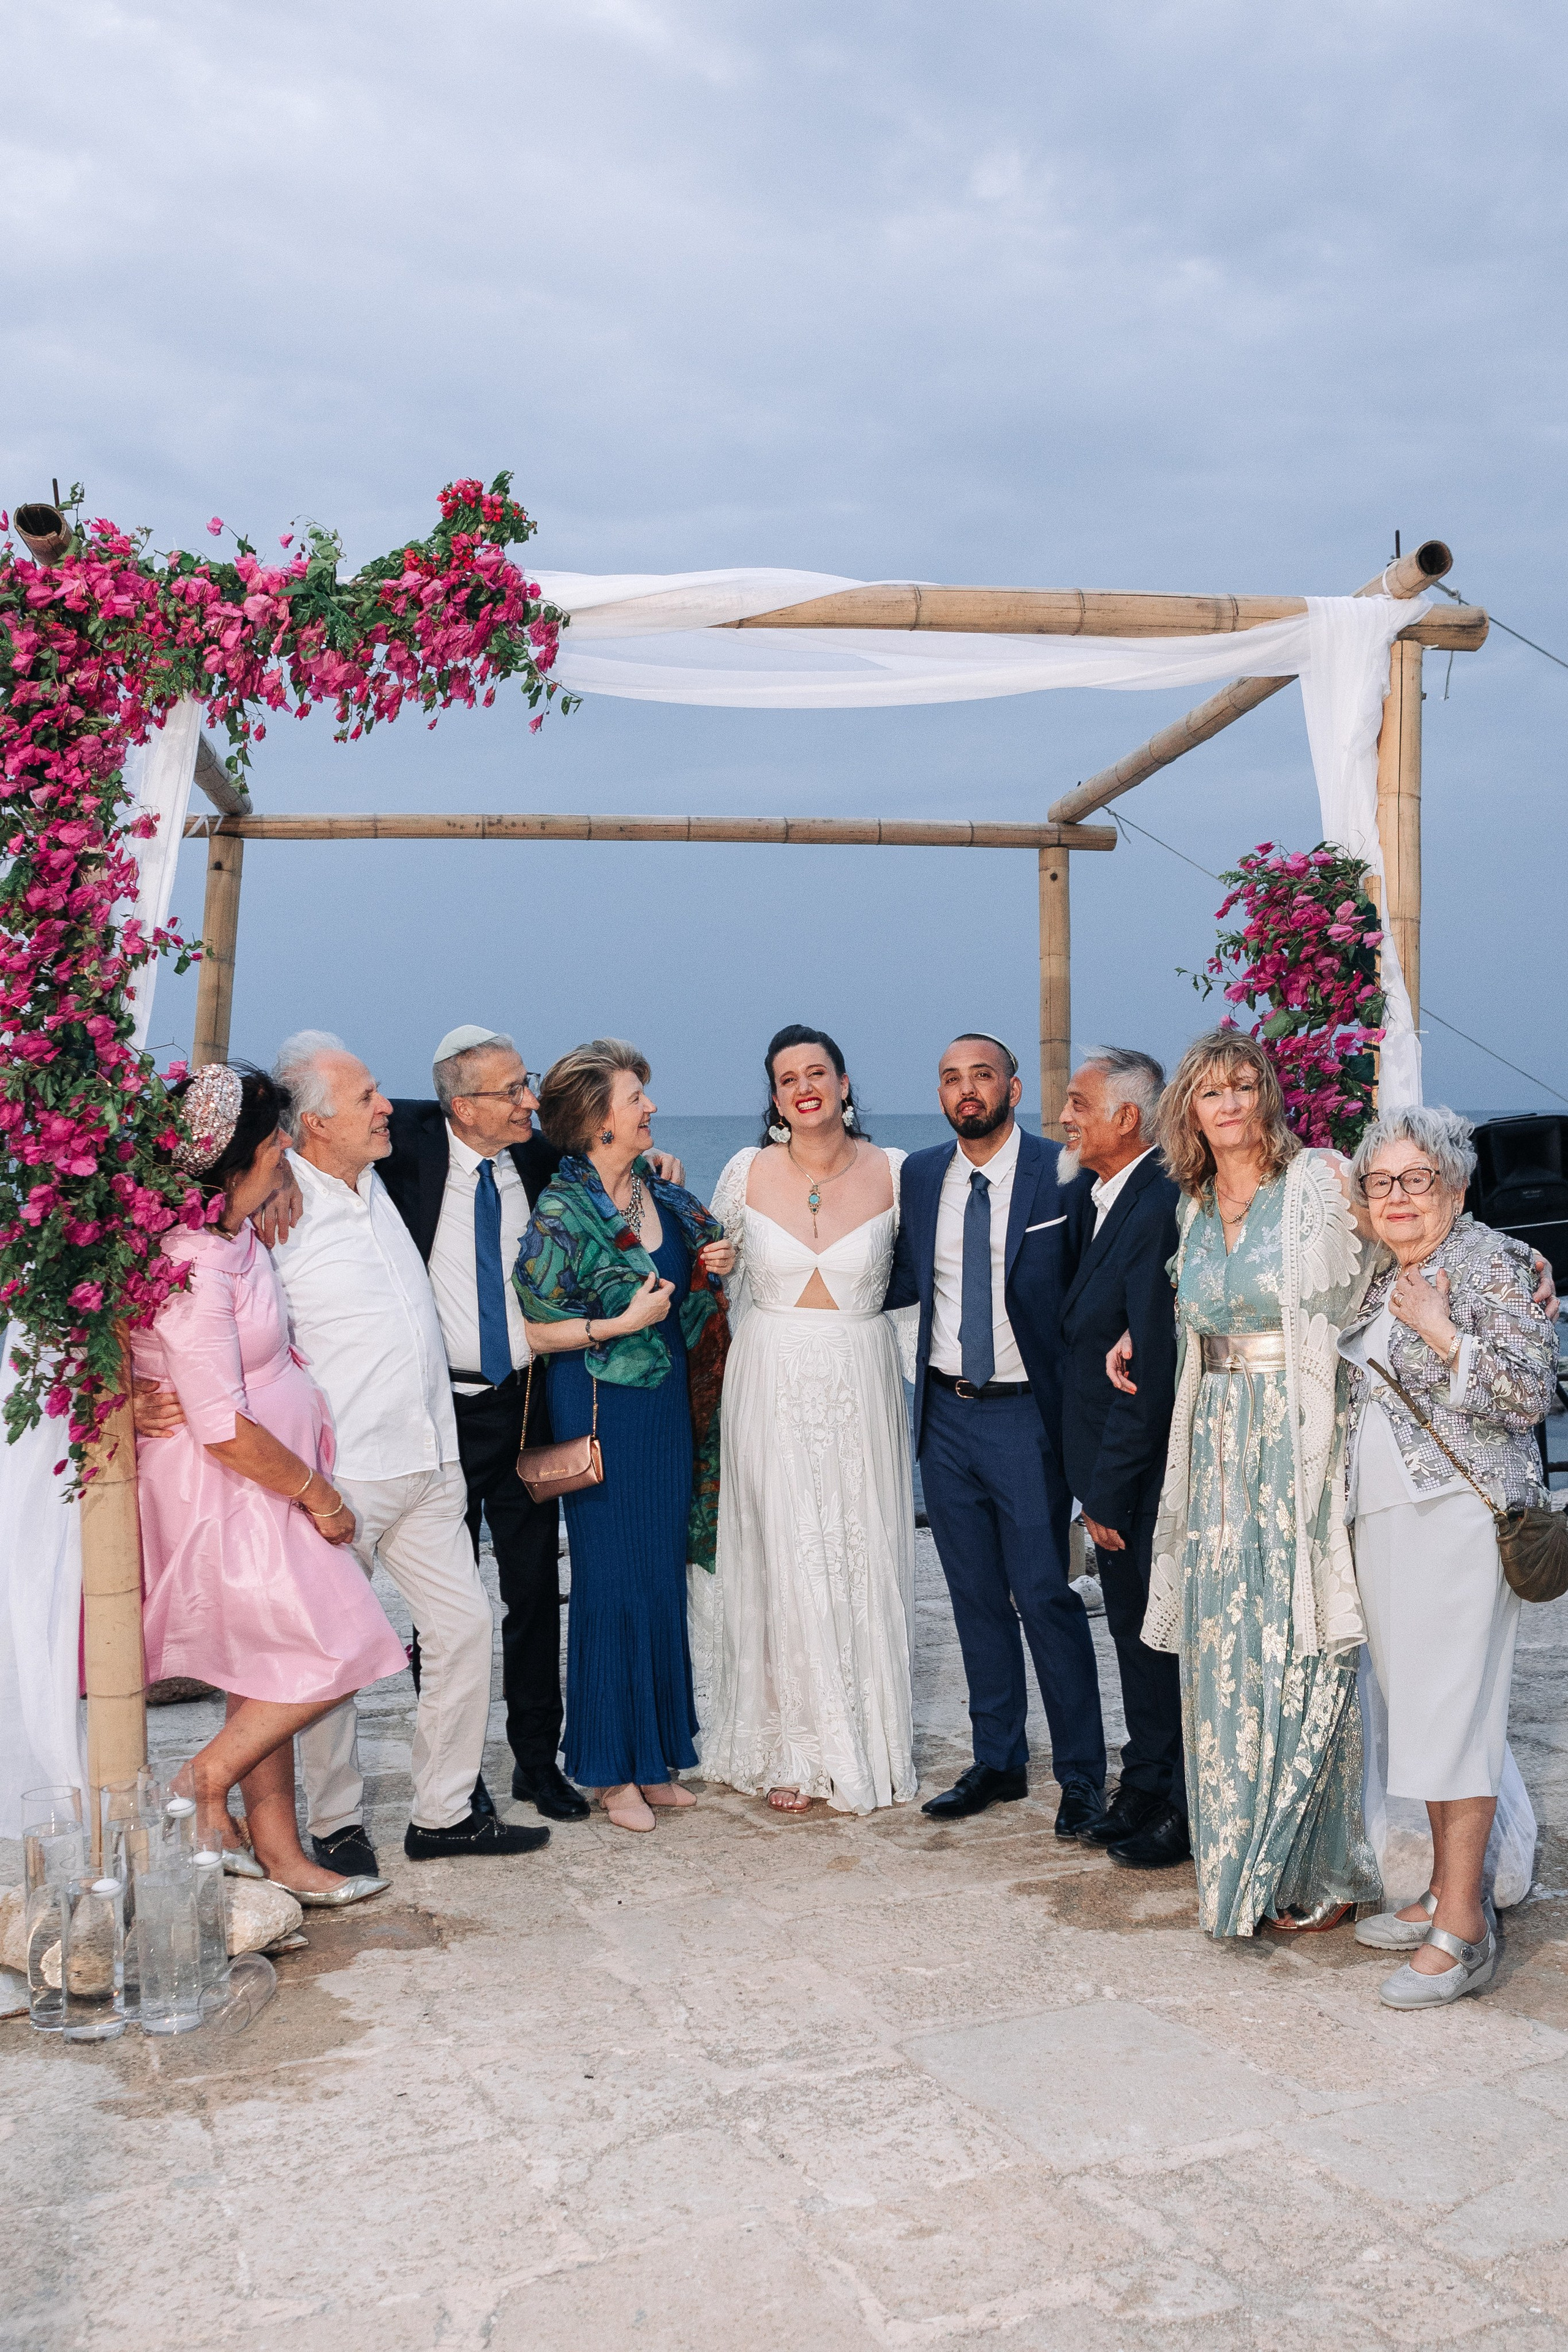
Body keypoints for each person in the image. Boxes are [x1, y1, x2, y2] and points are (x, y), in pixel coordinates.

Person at [377, 1027, 690, 1824]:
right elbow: (323, 1118)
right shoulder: (405, 1150)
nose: (530, 1101)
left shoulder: (542, 1159)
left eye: (530, 1084)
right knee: (445, 1609)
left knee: (532, 1592)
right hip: (438, 1411)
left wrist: (654, 1162)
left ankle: (537, 1763)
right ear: (461, 1107)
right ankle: (455, 1775)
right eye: (513, 1090)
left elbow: (606, 1167)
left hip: (525, 1405)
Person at [130, 1065, 405, 1901]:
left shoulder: (231, 1226)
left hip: (263, 1479)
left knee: (268, 1669)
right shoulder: (193, 1267)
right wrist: (322, 1496)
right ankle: (197, 1783)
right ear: (237, 1160)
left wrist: (274, 1184)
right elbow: (220, 1426)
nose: (287, 1144)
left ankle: (282, 1857)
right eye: (274, 1141)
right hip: (227, 1489)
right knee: (339, 1647)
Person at [1133, 1030, 1382, 1937]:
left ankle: (1320, 1861)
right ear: (1189, 1112)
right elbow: (1197, 1317)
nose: (1230, 1104)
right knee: (1225, 1645)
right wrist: (1134, 1341)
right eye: (1212, 1092)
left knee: (1302, 1639)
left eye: (1244, 1086)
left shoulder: (1318, 1179)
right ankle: (1239, 1857)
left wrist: (1518, 1269)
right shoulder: (1193, 1206)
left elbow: (1401, 1248)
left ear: (1267, 1096)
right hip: (1214, 1447)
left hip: (1296, 1439)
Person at [1340, 1106, 1556, 2007]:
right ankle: (1442, 1889)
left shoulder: (1494, 1264)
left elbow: (1531, 1395)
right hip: (1389, 1519)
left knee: (1457, 1719)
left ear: (1457, 1189)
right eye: (1381, 1181)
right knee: (1422, 1717)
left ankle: (1463, 1929)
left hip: (1461, 1523)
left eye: (1417, 1179)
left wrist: (1442, 1330)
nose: (1398, 1196)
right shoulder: (1381, 1271)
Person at [884, 1033, 1106, 1833]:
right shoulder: (919, 1176)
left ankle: (1082, 1778)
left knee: (1044, 1596)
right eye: (951, 1078)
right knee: (974, 1595)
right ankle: (998, 1760)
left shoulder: (1062, 1172)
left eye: (981, 1075)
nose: (966, 1089)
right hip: (944, 1416)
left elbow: (1095, 1291)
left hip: (1026, 1417)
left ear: (1013, 1088)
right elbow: (894, 1278)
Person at [514, 1040, 734, 1832]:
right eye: (635, 1097)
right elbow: (534, 1331)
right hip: (601, 1409)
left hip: (669, 1408)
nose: (650, 1107)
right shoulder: (559, 1212)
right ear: (598, 1120)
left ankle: (657, 1757)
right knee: (610, 1587)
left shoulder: (659, 1189)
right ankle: (610, 1772)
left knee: (659, 1580)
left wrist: (715, 1259)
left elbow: (697, 1274)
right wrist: (618, 1323)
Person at [703, 1025, 917, 1814]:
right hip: (769, 1380)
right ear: (774, 1095)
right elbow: (708, 1274)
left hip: (860, 1380)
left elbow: (933, 1284)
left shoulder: (898, 1171)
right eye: (787, 1078)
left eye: (817, 1072)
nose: (804, 1088)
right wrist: (711, 1261)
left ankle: (856, 1738)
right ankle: (790, 1745)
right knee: (781, 1554)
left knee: (858, 1552)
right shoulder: (744, 1171)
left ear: (844, 1082)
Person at [1057, 1049, 1188, 1868]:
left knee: (1160, 1644)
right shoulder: (1101, 1195)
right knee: (1136, 1642)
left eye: (1079, 1103)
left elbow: (1153, 1369)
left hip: (1138, 1475)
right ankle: (1143, 1785)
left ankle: (1178, 1805)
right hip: (1107, 1468)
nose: (1064, 1117)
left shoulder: (1158, 1203)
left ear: (1127, 1117)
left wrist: (1106, 1492)